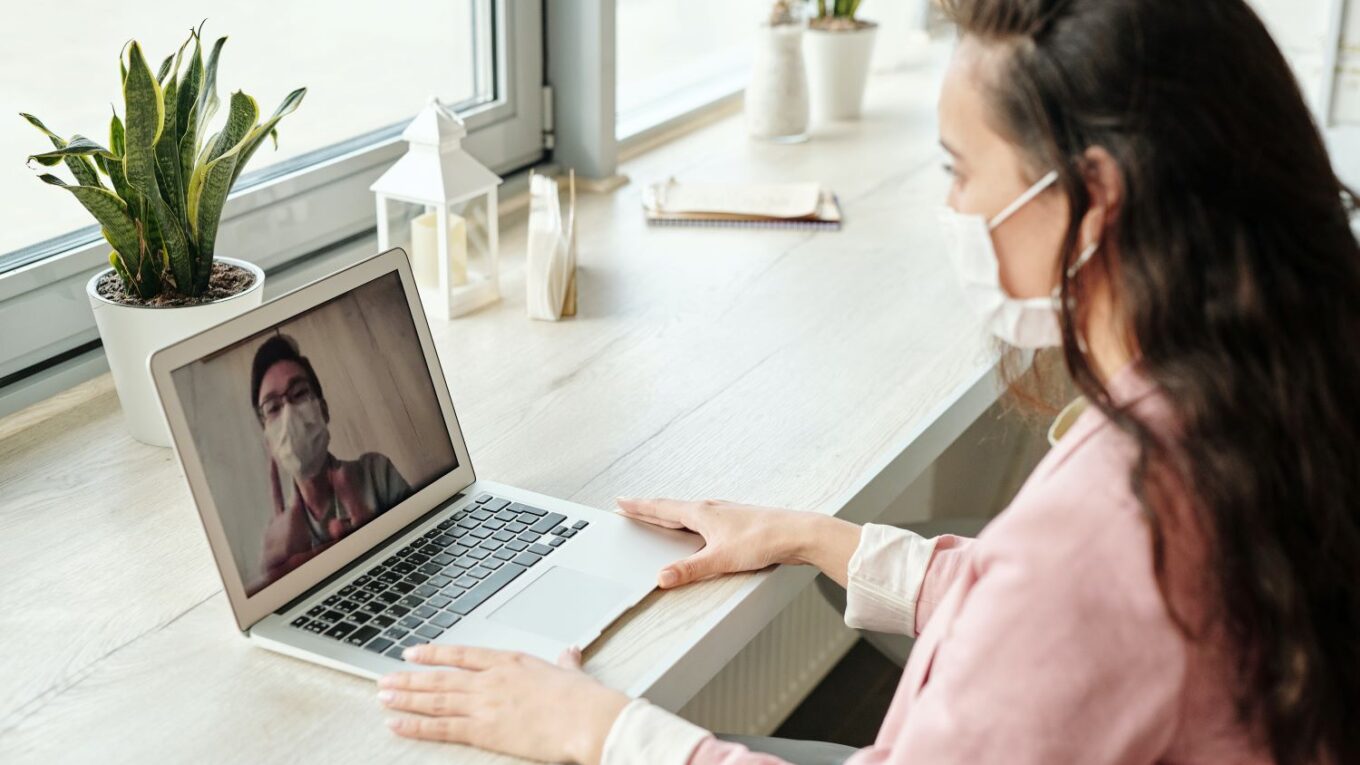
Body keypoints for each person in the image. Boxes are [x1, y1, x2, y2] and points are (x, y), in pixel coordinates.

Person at [370, 1, 1360, 763]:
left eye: (959, 170)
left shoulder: (1115, 520)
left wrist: (600, 730)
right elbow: (1067, 630)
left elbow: (1067, 595)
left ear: (1092, 199)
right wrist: (819, 539)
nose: (951, 206)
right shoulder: (1271, 386)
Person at [251, 334, 411, 589]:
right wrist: (278, 588)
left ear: (323, 410)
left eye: (299, 393)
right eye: (273, 408)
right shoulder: (279, 540)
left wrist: (378, 541)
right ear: (268, 441)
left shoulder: (376, 473)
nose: (290, 414)